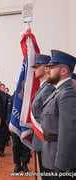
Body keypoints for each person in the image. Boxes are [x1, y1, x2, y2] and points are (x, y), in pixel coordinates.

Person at [41, 49, 76, 180]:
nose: (47, 70)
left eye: (51, 67)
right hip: (50, 156)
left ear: (63, 71)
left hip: (58, 163)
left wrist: (62, 167)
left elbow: (68, 134)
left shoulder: (68, 94)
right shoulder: (58, 92)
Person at [30, 54, 55, 175]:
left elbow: (48, 117)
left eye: (37, 66)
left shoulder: (49, 88)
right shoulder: (42, 88)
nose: (34, 70)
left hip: (45, 140)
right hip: (40, 139)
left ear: (46, 68)